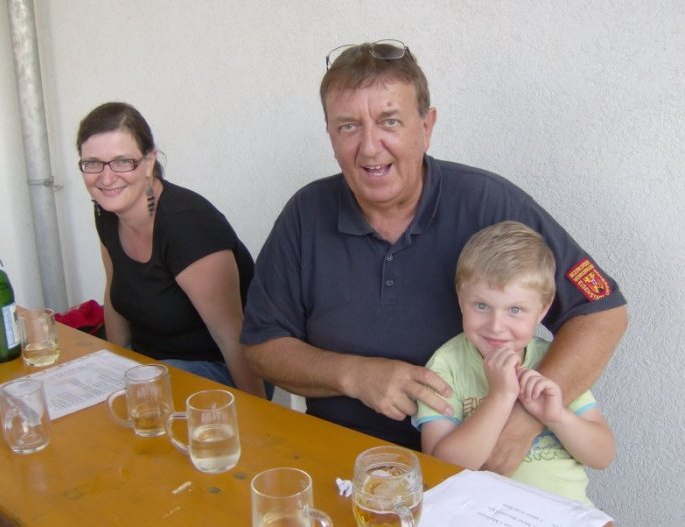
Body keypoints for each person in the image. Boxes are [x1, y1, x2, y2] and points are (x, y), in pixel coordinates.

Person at [241, 40, 627, 459]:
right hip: (342, 457)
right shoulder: (306, 214)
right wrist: (353, 374)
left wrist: (522, 423)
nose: (369, 147)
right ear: (330, 135)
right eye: (348, 126)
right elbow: (263, 345)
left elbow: (601, 312)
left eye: (390, 121)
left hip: (472, 469)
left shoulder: (490, 204)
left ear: (426, 127)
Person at [77, 102, 268, 398]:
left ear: (149, 161)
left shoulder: (188, 227)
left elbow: (232, 338)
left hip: (222, 369)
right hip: (150, 368)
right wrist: (113, 370)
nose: (106, 177)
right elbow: (115, 294)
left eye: (122, 162)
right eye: (93, 163)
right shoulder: (107, 212)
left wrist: (259, 417)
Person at [415, 221, 615, 503]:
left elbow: (603, 456)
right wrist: (500, 398)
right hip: (482, 514)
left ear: (542, 309)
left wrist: (557, 416)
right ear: (461, 299)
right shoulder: (447, 365)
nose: (496, 326)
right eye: (481, 306)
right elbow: (441, 466)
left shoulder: (552, 361)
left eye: (515, 310)